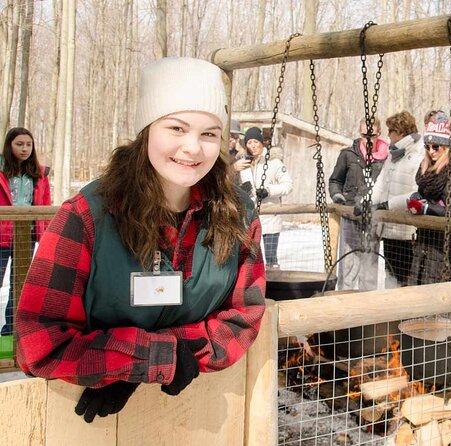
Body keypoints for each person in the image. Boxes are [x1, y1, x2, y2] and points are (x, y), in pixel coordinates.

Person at [15, 57, 266, 423]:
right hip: (83, 424)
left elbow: (244, 316)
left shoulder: (237, 212)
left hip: (196, 417)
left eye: (209, 133)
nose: (193, 148)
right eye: (177, 128)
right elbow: (37, 342)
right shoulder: (88, 215)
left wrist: (168, 355)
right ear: (148, 129)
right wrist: (142, 358)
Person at [407, 112, 451, 285]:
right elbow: (422, 194)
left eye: (435, 147)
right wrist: (416, 199)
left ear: (446, 146)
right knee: (417, 294)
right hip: (423, 243)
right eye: (427, 146)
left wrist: (430, 209)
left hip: (446, 246)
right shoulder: (427, 168)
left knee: (439, 298)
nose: (431, 151)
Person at [0, 127, 51, 336]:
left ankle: (10, 330)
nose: (24, 149)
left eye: (28, 145)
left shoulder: (39, 174)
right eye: (19, 144)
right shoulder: (2, 171)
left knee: (19, 284)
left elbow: (45, 203)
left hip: (26, 236)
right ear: (9, 146)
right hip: (2, 234)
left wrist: (46, 234)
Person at [329, 118, 389, 290]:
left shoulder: (386, 158)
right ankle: (344, 304)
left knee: (369, 266)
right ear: (359, 132)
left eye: (372, 135)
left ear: (379, 133)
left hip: (373, 217)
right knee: (348, 264)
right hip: (351, 214)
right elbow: (335, 180)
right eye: (364, 135)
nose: (368, 139)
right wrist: (337, 194)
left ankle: (367, 307)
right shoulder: (348, 154)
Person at [370, 111, 423, 288]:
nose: (388, 135)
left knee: (404, 279)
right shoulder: (393, 155)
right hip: (390, 228)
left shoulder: (418, 154)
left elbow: (417, 192)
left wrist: (388, 205)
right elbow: (380, 183)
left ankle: (402, 315)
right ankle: (389, 312)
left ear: (400, 132)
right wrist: (368, 202)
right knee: (390, 276)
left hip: (407, 230)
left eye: (391, 130)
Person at [239, 126, 293, 270]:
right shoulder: (242, 164)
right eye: (249, 142)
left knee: (270, 258)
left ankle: (273, 283)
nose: (253, 146)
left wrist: (269, 191)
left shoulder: (274, 163)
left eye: (256, 141)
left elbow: (288, 185)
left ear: (262, 142)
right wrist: (242, 190)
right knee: (250, 258)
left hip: (270, 217)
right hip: (249, 218)